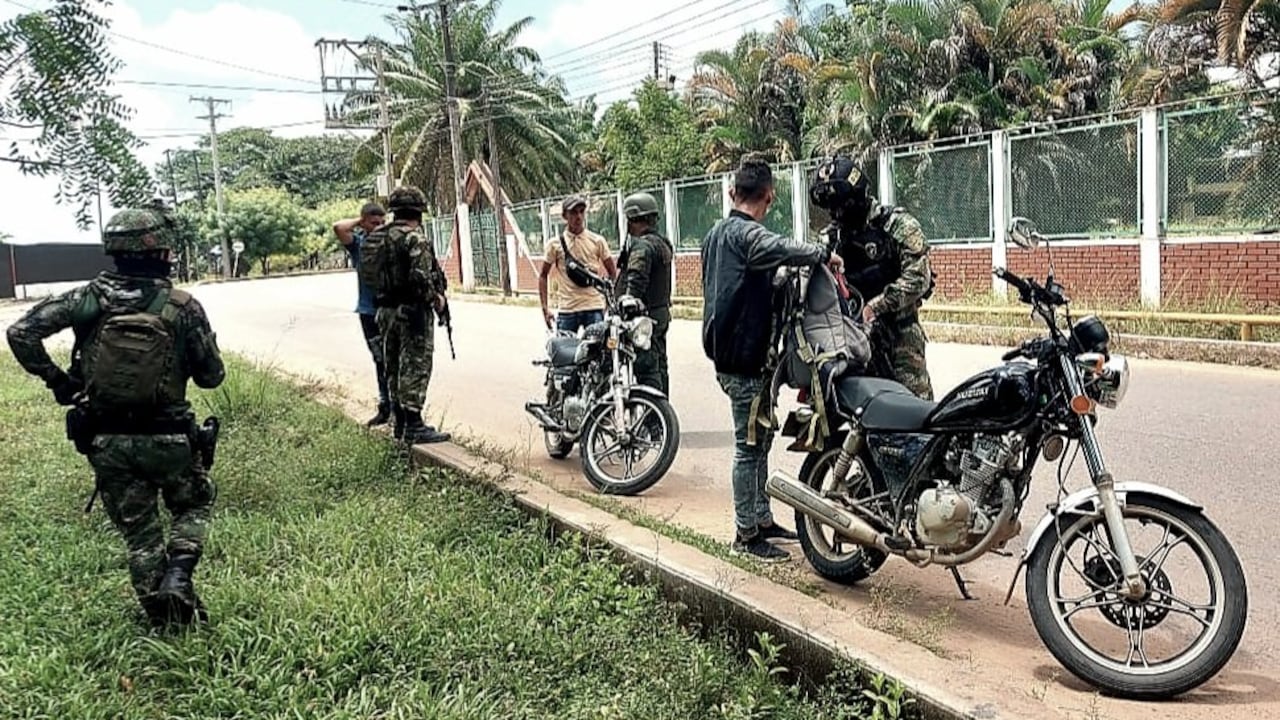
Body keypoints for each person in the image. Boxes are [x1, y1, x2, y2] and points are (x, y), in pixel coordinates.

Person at [6, 205, 226, 628]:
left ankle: (167, 622)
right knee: (194, 503)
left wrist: (59, 382)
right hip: (171, 438)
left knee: (141, 537)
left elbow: (21, 332)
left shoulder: (87, 298)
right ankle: (179, 575)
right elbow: (212, 377)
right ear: (162, 252)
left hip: (107, 439)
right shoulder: (182, 305)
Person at [702, 154, 846, 562]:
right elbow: (778, 247)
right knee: (748, 446)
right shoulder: (745, 236)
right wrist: (820, 253)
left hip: (738, 356)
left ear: (733, 192)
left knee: (760, 439)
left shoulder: (717, 233)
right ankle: (746, 535)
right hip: (742, 360)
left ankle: (762, 519)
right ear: (768, 197)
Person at [809, 155, 935, 400]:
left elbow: (919, 278)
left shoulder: (897, 225)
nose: (836, 213)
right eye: (831, 207)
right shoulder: (831, 238)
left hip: (900, 337)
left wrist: (875, 307)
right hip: (851, 338)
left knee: (915, 410)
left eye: (841, 205)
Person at [367, 186, 451, 445]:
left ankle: (400, 422)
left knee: (393, 366)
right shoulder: (414, 238)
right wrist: (437, 300)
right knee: (415, 365)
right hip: (411, 312)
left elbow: (368, 272)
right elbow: (420, 278)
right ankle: (413, 423)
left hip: (384, 311)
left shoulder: (378, 236)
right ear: (418, 212)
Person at [333, 202, 392, 426]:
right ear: (364, 222)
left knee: (394, 360)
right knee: (380, 360)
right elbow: (339, 228)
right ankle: (385, 405)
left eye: (382, 222)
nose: (378, 227)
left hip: (391, 311)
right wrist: (360, 221)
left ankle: (399, 407)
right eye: (373, 222)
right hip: (368, 312)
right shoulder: (359, 244)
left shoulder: (389, 243)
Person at [616, 191, 674, 395]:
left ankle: (653, 418)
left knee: (647, 369)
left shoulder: (642, 246)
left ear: (633, 219)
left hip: (645, 318)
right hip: (661, 313)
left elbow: (636, 281)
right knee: (660, 366)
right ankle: (662, 412)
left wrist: (627, 304)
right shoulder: (662, 243)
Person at [539, 194, 617, 333]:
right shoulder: (554, 244)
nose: (578, 216)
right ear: (565, 216)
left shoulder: (597, 241)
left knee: (598, 353)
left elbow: (612, 272)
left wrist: (606, 302)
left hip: (593, 307)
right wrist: (545, 309)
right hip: (567, 309)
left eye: (581, 211)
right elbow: (543, 275)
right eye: (573, 212)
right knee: (563, 351)